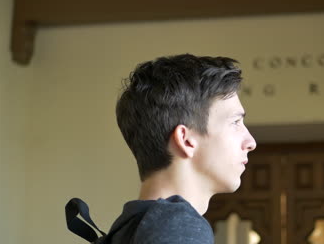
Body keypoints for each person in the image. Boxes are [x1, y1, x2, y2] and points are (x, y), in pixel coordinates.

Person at [108, 54, 257, 243]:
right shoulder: (179, 229)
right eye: (235, 122)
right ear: (186, 140)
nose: (251, 142)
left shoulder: (128, 227)